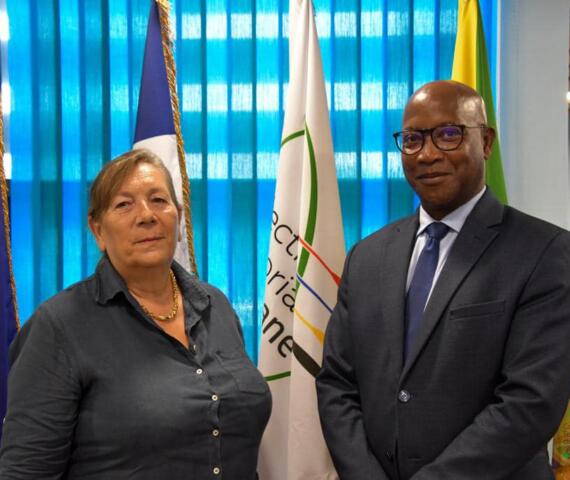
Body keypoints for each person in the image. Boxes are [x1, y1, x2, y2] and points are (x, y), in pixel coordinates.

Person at [316, 80, 570, 480]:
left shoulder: (545, 252)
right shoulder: (366, 257)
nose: (427, 154)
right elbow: (337, 385)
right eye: (412, 139)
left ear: (486, 143)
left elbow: (530, 402)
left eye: (449, 134)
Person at [0, 149, 271, 479]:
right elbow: (27, 472)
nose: (146, 215)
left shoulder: (216, 305)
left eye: (158, 200)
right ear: (98, 230)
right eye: (124, 204)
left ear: (179, 218)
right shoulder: (58, 326)